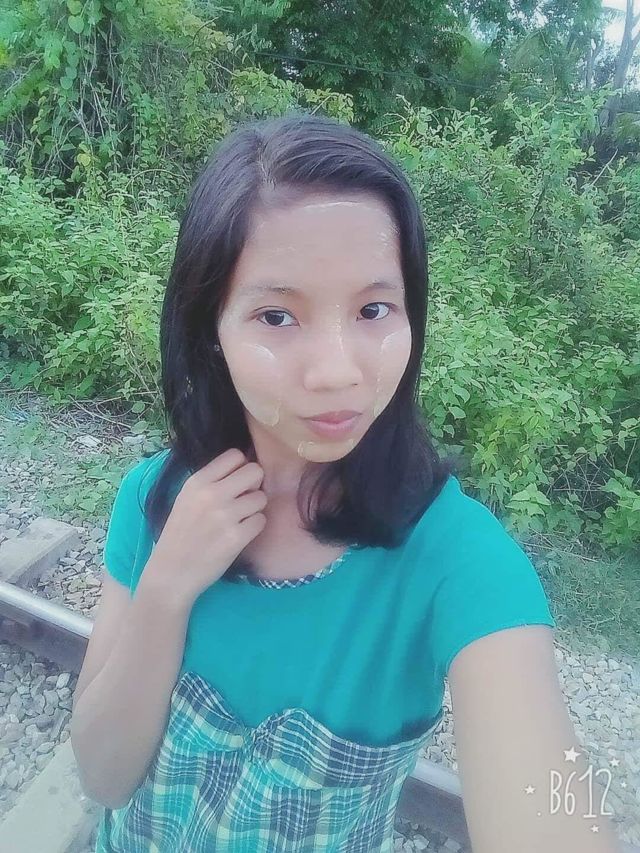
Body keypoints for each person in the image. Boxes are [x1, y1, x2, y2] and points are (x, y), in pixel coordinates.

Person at [70, 113, 622, 853]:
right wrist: (165, 589)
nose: (338, 371)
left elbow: (548, 794)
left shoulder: (456, 561)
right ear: (211, 329)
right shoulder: (154, 500)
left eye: (372, 309)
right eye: (277, 315)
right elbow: (103, 777)